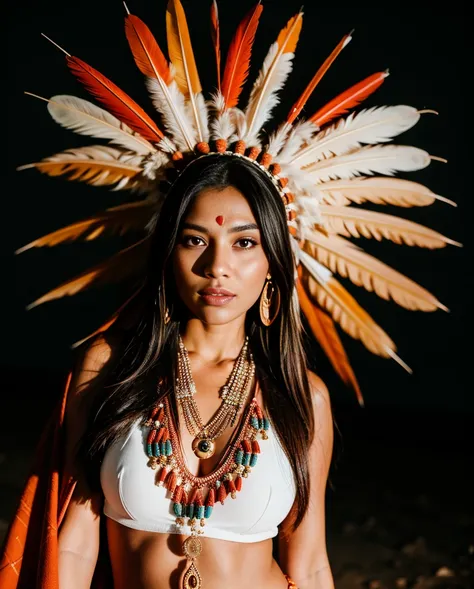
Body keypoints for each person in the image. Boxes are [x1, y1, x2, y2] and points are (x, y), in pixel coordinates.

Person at [1, 0, 457, 587]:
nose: (219, 266)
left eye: (245, 244)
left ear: (272, 262)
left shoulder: (301, 396)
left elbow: (310, 560)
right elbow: (75, 543)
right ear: (167, 255)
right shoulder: (110, 370)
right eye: (195, 241)